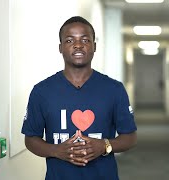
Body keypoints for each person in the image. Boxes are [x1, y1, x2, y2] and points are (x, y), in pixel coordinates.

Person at [21, 16, 137, 180]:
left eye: (85, 40)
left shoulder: (114, 89)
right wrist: (57, 150)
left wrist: (105, 145)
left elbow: (130, 137)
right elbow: (31, 139)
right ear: (60, 48)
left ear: (94, 46)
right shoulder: (42, 91)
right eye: (69, 40)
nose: (78, 45)